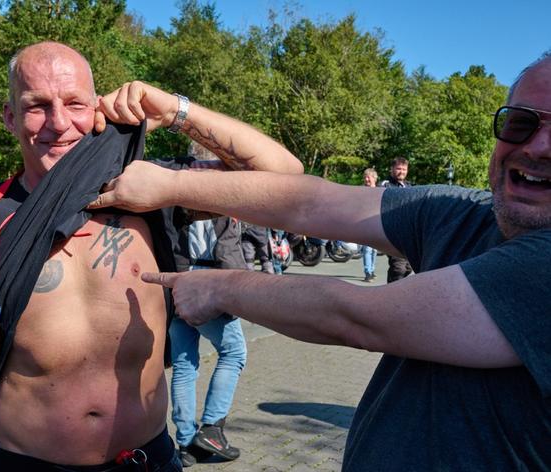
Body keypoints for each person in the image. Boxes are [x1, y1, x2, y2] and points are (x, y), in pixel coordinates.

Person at [88, 52, 551, 470]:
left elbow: (354, 316)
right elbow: (310, 202)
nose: (538, 147)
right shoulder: (464, 213)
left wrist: (217, 287)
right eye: (522, 123)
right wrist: (174, 128)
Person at [0, 41, 302, 471]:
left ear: (97, 108)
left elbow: (283, 176)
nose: (59, 122)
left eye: (74, 103)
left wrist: (176, 110)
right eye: (37, 106)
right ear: (10, 116)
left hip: (149, 459)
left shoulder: (150, 191)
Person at [168, 142, 247, 467]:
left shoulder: (172, 193)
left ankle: (186, 443)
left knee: (185, 364)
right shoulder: (217, 194)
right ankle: (212, 429)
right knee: (234, 352)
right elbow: (228, 249)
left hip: (175, 279)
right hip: (211, 282)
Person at [380, 156, 413, 282]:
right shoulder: (385, 185)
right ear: (392, 169)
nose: (401, 172)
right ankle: (391, 295)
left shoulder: (409, 187)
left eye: (404, 169)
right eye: (398, 169)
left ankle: (393, 289)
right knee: (398, 267)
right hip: (392, 232)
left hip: (409, 234)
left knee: (409, 267)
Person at [361, 168, 378, 282]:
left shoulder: (379, 191)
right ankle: (368, 272)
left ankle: (372, 270)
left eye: (369, 177)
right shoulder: (362, 191)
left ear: (374, 178)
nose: (367, 179)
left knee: (375, 249)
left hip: (376, 223)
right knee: (367, 249)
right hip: (365, 223)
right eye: (365, 177)